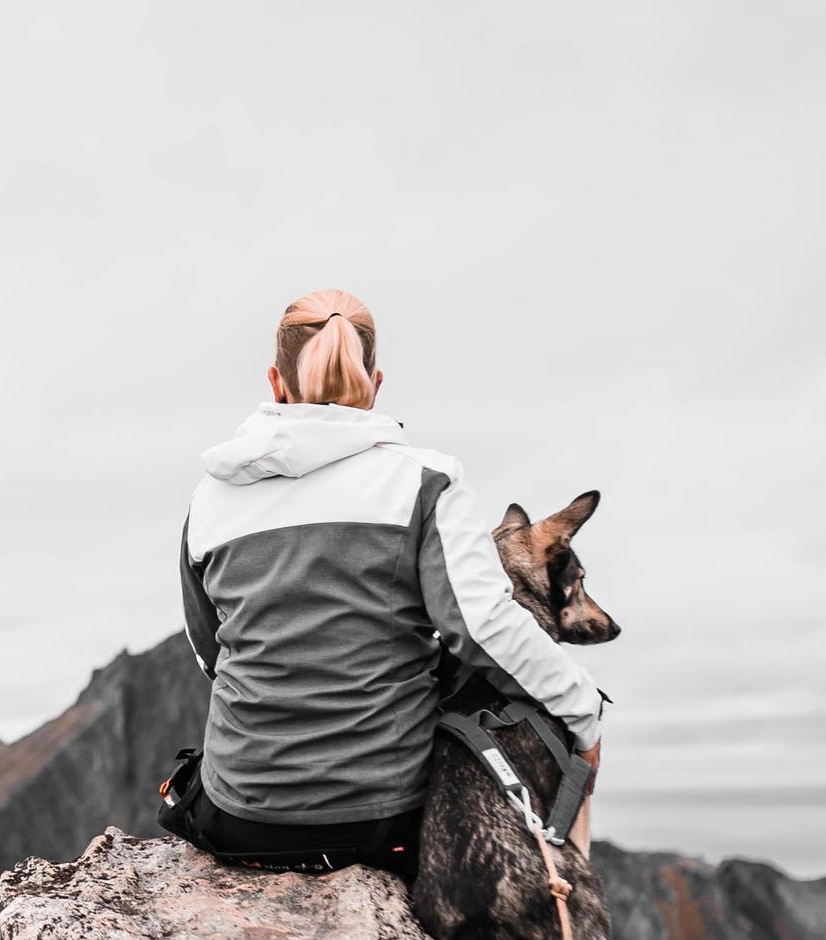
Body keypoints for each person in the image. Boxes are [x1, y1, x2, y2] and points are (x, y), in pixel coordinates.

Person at [157, 288, 606, 874]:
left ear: (275, 382)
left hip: (240, 817)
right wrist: (584, 713)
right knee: (509, 686)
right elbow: (483, 628)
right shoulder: (425, 481)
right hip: (385, 821)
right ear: (375, 383)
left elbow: (212, 652)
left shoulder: (210, 498)